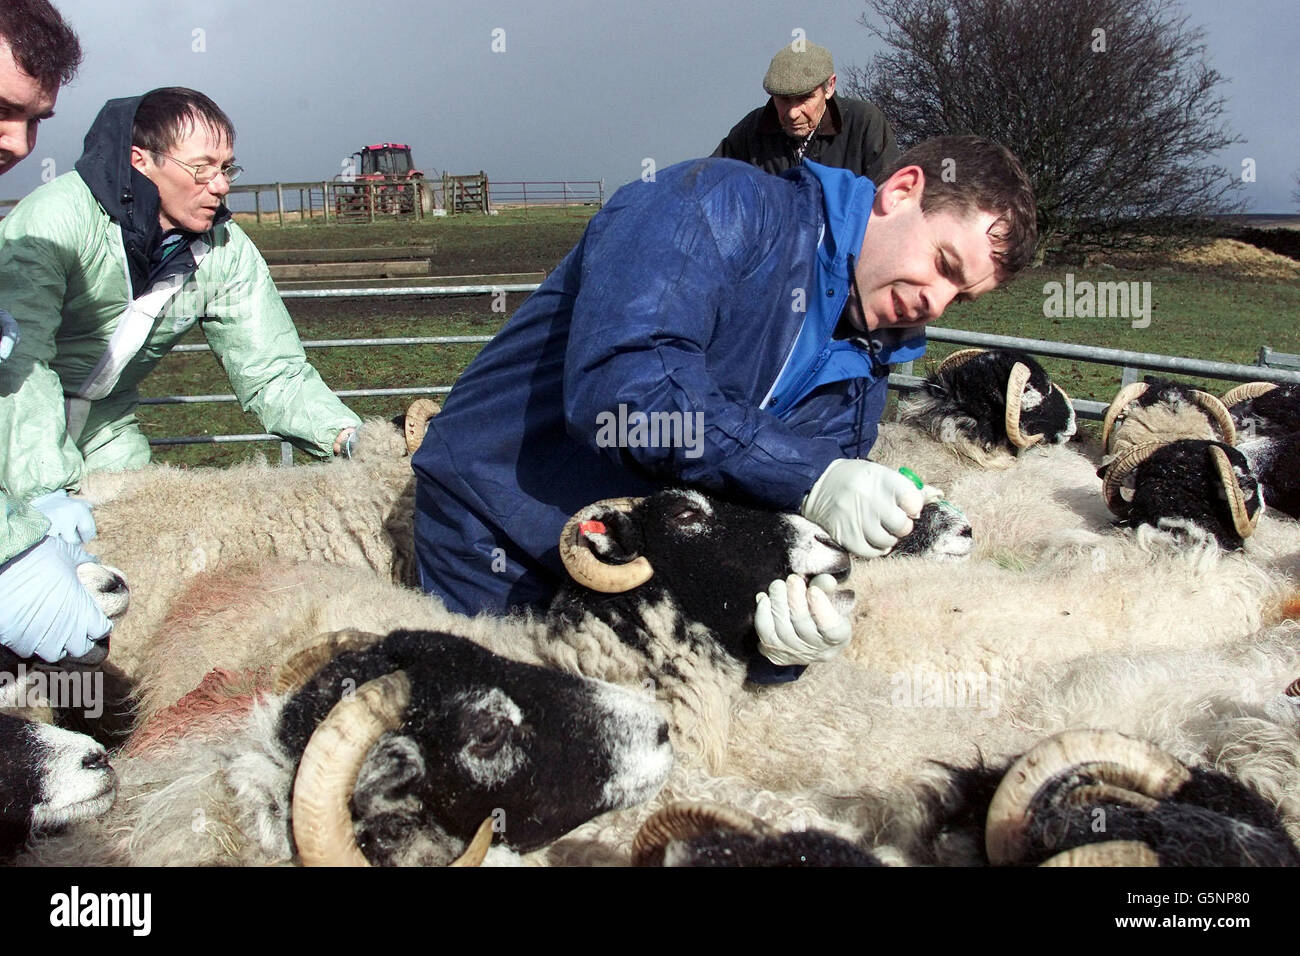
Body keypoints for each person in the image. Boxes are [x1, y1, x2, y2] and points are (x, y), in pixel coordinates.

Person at [412, 135, 1037, 680]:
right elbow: (623, 392)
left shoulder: (866, 368)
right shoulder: (715, 205)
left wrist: (786, 633)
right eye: (943, 263)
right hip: (502, 536)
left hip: (642, 571)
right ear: (901, 191)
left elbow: (772, 521)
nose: (936, 303)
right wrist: (810, 477)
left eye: (961, 296)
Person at [0, 85, 361, 517]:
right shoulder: (57, 219)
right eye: (202, 169)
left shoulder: (224, 250)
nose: (221, 185)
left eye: (227, 168)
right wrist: (43, 487)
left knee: (140, 548)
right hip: (13, 422)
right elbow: (21, 359)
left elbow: (273, 372)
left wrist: (351, 439)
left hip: (104, 430)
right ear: (142, 161)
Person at [0, 0, 114, 665]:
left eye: (35, 120)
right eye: (1, 109)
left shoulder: (213, 245)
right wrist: (11, 555)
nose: (18, 143)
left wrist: (30, 506)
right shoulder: (52, 225)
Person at [712, 40, 900, 184]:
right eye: (783, 99)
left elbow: (890, 199)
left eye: (805, 98)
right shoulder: (751, 130)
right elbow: (709, 181)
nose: (793, 113)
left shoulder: (864, 123)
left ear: (830, 86)